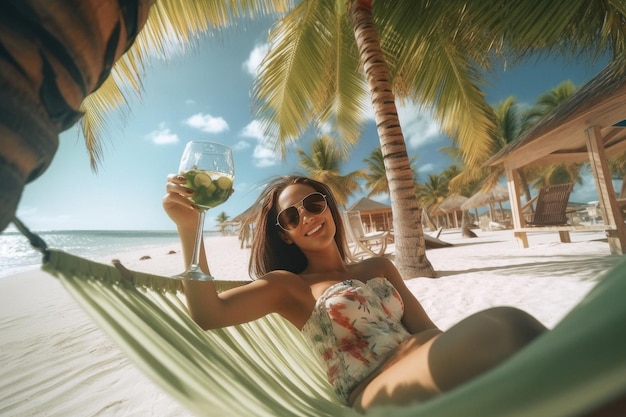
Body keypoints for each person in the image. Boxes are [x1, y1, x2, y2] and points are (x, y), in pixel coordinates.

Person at [163, 174, 546, 412]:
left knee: (516, 346)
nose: (308, 216)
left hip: (431, 359)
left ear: (329, 206)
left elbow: (426, 327)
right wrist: (191, 228)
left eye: (314, 203)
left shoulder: (378, 267)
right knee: (507, 328)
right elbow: (208, 314)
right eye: (292, 216)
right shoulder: (289, 286)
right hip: (377, 390)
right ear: (285, 234)